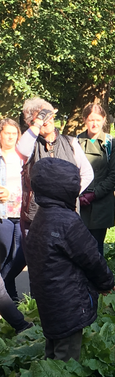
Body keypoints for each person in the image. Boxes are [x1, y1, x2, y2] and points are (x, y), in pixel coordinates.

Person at [25, 158, 114, 362]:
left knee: (54, 342)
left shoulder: (41, 216)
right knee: (67, 358)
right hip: (69, 300)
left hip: (48, 299)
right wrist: (106, 282)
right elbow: (91, 258)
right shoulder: (68, 222)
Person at [16, 97, 94, 251]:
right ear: (31, 123)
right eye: (41, 118)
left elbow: (87, 174)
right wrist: (38, 122)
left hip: (68, 215)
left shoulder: (71, 143)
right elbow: (22, 150)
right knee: (40, 264)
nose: (47, 121)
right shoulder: (30, 145)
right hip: (36, 217)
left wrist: (69, 194)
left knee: (67, 263)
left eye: (49, 116)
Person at [77, 104, 115, 255]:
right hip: (79, 203)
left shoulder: (111, 143)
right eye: (90, 120)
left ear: (104, 120)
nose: (94, 124)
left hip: (102, 203)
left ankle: (98, 279)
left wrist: (93, 194)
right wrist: (80, 195)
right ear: (84, 120)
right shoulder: (75, 142)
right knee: (79, 248)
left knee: (96, 249)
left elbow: (113, 175)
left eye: (98, 119)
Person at [0, 119, 26, 301]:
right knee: (5, 255)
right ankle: (12, 298)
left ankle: (3, 290)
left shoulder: (23, 156)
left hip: (23, 212)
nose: (10, 136)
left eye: (14, 133)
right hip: (4, 213)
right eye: (7, 133)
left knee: (21, 256)